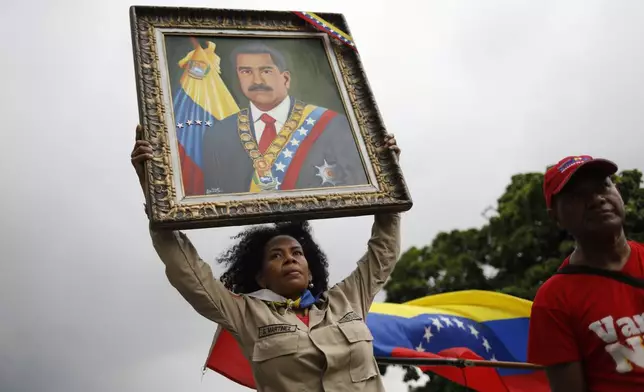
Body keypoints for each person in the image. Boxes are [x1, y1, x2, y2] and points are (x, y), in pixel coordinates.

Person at [131, 125, 402, 392]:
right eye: (276, 255)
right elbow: (188, 272)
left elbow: (383, 252)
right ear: (260, 276)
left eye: (297, 253)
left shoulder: (347, 299)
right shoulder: (246, 314)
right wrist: (155, 194)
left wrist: (387, 174)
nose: (289, 259)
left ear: (310, 270)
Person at [527, 155, 644, 391]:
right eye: (577, 196)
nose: (596, 200)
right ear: (555, 216)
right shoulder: (553, 301)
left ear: (617, 192)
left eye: (603, 186)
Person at [201, 42, 369, 195]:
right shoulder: (218, 134)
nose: (257, 80)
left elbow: (357, 187)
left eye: (266, 71)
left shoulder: (334, 126)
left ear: (285, 79)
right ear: (239, 79)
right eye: (246, 72)